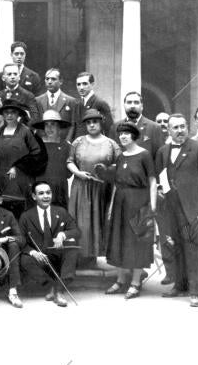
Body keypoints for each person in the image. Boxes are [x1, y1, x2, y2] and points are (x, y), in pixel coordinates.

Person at [155, 114, 198, 307]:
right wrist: (159, 189)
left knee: (193, 248)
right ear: (169, 130)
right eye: (175, 127)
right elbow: (160, 176)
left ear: (187, 127)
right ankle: (180, 286)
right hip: (170, 208)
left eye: (182, 126)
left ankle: (196, 291)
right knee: (176, 247)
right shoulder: (163, 151)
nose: (180, 130)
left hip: (192, 207)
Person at [105, 122, 157, 300]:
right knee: (119, 240)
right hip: (120, 203)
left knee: (137, 241)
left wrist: (152, 207)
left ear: (134, 136)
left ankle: (135, 282)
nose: (123, 137)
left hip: (139, 202)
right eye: (120, 134)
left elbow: (152, 182)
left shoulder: (144, 155)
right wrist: (112, 206)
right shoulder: (120, 157)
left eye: (127, 133)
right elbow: (116, 184)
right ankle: (120, 280)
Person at [66, 109, 120, 263]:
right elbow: (70, 161)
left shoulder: (111, 143)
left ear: (101, 123)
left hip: (102, 189)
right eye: (88, 122)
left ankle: (95, 255)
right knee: (82, 222)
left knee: (99, 222)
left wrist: (107, 171)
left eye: (95, 121)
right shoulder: (78, 142)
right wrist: (78, 173)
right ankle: (81, 258)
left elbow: (120, 164)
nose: (92, 125)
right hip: (81, 187)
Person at [19, 181, 80, 307]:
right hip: (40, 258)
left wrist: (62, 235)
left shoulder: (61, 212)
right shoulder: (26, 216)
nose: (46, 196)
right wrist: (33, 252)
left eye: (48, 192)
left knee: (72, 250)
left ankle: (58, 291)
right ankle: (53, 286)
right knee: (25, 259)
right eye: (41, 193)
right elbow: (21, 240)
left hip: (58, 256)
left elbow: (75, 231)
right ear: (34, 197)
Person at [0, 99, 47, 218]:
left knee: (22, 215)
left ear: (18, 115)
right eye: (6, 112)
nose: (9, 115)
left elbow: (37, 153)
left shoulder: (25, 132)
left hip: (22, 180)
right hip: (3, 181)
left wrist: (18, 166)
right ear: (3, 115)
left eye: (13, 112)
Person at [32, 109, 72, 209]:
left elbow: (69, 173)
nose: (49, 128)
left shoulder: (66, 146)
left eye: (53, 124)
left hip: (60, 192)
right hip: (42, 190)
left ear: (59, 127)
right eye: (46, 124)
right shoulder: (36, 145)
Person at [110, 91, 165, 159]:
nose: (132, 106)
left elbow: (160, 157)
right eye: (129, 102)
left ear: (142, 106)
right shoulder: (115, 127)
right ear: (124, 105)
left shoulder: (154, 128)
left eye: (136, 102)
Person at [34, 68, 76, 141]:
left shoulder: (70, 101)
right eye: (47, 79)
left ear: (60, 81)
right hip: (43, 144)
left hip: (63, 143)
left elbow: (73, 125)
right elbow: (35, 124)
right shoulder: (37, 101)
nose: (49, 82)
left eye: (53, 79)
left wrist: (67, 142)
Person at [73, 72, 114, 138]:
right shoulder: (77, 103)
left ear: (92, 84)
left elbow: (109, 129)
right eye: (78, 84)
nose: (81, 87)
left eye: (85, 84)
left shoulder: (100, 103)